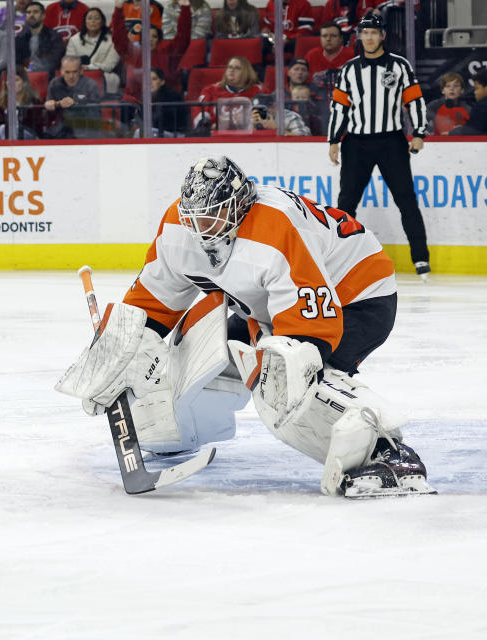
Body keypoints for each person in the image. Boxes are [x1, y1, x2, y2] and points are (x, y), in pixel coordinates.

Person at [56, 155, 434, 498]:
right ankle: (176, 434)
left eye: (214, 214)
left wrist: (285, 365)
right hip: (270, 304)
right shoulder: (178, 225)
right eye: (196, 217)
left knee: (286, 377)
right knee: (195, 355)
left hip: (356, 293)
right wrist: (118, 356)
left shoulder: (274, 226)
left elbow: (310, 330)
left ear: (240, 204)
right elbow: (152, 306)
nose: (203, 227)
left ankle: (386, 453)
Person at [327, 13, 430, 278]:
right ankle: (340, 259)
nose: (369, 37)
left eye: (374, 33)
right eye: (365, 33)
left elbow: (415, 100)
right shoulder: (349, 69)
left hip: (391, 142)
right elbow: (339, 107)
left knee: (406, 200)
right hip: (357, 143)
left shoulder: (399, 65)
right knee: (346, 202)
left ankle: (421, 259)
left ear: (382, 35)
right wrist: (334, 140)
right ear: (359, 36)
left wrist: (418, 132)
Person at [112, 0, 190, 105]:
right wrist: (118, 8)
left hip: (165, 105)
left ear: (159, 40)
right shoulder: (132, 54)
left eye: (154, 36)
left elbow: (183, 38)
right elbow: (118, 38)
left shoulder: (167, 54)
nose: (150, 39)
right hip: (135, 105)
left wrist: (185, 7)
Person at [193, 55, 263, 130]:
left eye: (237, 68)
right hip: (217, 137)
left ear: (247, 72)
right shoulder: (210, 90)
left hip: (250, 137)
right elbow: (200, 122)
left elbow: (266, 120)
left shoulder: (258, 91)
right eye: (230, 67)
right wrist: (214, 127)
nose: (231, 70)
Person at [44, 55, 101, 138]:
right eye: (67, 72)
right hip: (61, 130)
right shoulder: (55, 84)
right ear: (61, 71)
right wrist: (53, 104)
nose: (71, 76)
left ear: (81, 71)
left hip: (85, 129)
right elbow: (48, 112)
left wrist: (75, 103)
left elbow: (95, 113)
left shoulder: (91, 85)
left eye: (74, 72)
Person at [65, 7, 119, 95]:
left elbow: (110, 66)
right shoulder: (74, 40)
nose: (93, 21)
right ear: (85, 22)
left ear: (102, 22)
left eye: (96, 18)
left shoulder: (113, 40)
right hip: (79, 76)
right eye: (89, 18)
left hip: (105, 77)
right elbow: (69, 63)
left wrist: (90, 67)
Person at [15, 2, 65, 77]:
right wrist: (22, 70)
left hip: (47, 76)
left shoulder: (54, 37)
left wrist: (34, 70)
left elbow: (54, 62)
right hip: (24, 77)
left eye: (35, 12)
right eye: (29, 12)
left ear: (43, 16)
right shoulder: (20, 38)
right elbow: (16, 62)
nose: (31, 15)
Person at [449, 69, 487, 135]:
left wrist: (459, 130)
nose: (474, 92)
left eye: (476, 88)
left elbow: (474, 133)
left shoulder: (481, 106)